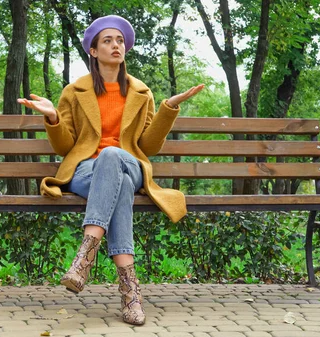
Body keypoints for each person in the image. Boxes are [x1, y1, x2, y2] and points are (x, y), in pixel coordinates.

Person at [18, 15, 204, 325]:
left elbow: (148, 145)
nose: (115, 45)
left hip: (129, 166)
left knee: (114, 156)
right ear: (93, 51)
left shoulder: (141, 94)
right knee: (115, 188)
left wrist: (167, 111)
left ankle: (85, 256)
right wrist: (52, 118)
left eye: (119, 41)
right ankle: (130, 293)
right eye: (107, 41)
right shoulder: (74, 92)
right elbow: (66, 148)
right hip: (85, 172)